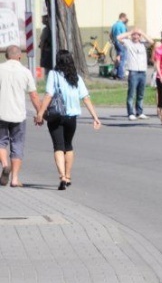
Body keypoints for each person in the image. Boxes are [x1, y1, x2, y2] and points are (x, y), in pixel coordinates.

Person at [35, 49, 102, 189]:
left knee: (58, 147)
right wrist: (95, 117)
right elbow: (86, 98)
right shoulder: (76, 77)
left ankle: (62, 177)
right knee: (68, 146)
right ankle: (68, 175)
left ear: (57, 61)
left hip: (55, 117)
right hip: (72, 118)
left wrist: (40, 113)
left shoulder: (53, 75)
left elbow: (48, 95)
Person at [0, 45, 41, 187]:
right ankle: (15, 179)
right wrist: (40, 112)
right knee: (17, 145)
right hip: (18, 115)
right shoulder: (25, 72)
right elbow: (34, 95)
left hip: (1, 113)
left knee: (1, 142)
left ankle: (5, 165)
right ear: (19, 56)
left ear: (6, 56)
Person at [117, 27, 151, 120]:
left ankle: (139, 112)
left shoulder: (143, 44)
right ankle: (130, 113)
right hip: (133, 71)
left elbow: (151, 42)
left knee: (141, 93)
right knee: (131, 93)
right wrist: (130, 32)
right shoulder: (128, 43)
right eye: (134, 35)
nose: (136, 37)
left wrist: (142, 32)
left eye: (137, 35)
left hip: (142, 71)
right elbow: (118, 37)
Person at [110, 12, 128, 80]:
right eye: (125, 18)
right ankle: (120, 75)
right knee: (122, 59)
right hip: (121, 43)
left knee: (118, 57)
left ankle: (115, 72)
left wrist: (113, 40)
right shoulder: (122, 25)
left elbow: (111, 34)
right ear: (122, 17)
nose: (126, 20)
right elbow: (124, 35)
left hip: (115, 43)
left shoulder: (114, 25)